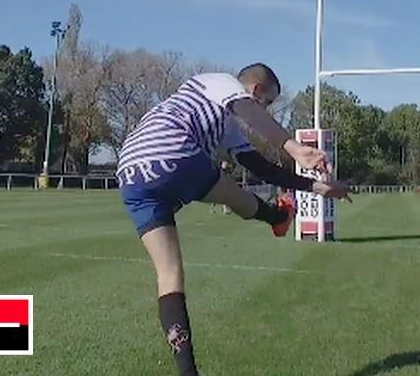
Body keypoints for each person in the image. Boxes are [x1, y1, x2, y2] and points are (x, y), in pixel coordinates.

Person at [116, 63, 350, 376]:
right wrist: (295, 148)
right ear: (255, 91)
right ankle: (277, 216)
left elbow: (263, 168)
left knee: (169, 275)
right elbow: (250, 112)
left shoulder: (225, 125)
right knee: (235, 198)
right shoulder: (220, 83)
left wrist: (319, 188)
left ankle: (188, 373)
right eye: (267, 103)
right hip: (172, 150)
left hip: (129, 169)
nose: (264, 111)